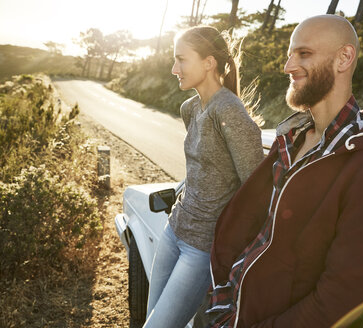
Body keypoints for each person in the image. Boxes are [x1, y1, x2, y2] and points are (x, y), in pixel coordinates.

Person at [205, 15, 363, 327]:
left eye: (303, 54)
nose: (288, 66)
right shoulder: (293, 138)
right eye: (290, 54)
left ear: (344, 58)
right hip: (226, 305)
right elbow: (253, 224)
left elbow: (336, 302)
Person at [143, 26, 264, 328]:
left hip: (201, 248)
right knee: (151, 320)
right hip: (174, 230)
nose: (174, 69)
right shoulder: (191, 108)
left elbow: (256, 190)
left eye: (181, 60)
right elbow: (200, 170)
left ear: (209, 62)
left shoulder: (231, 112)